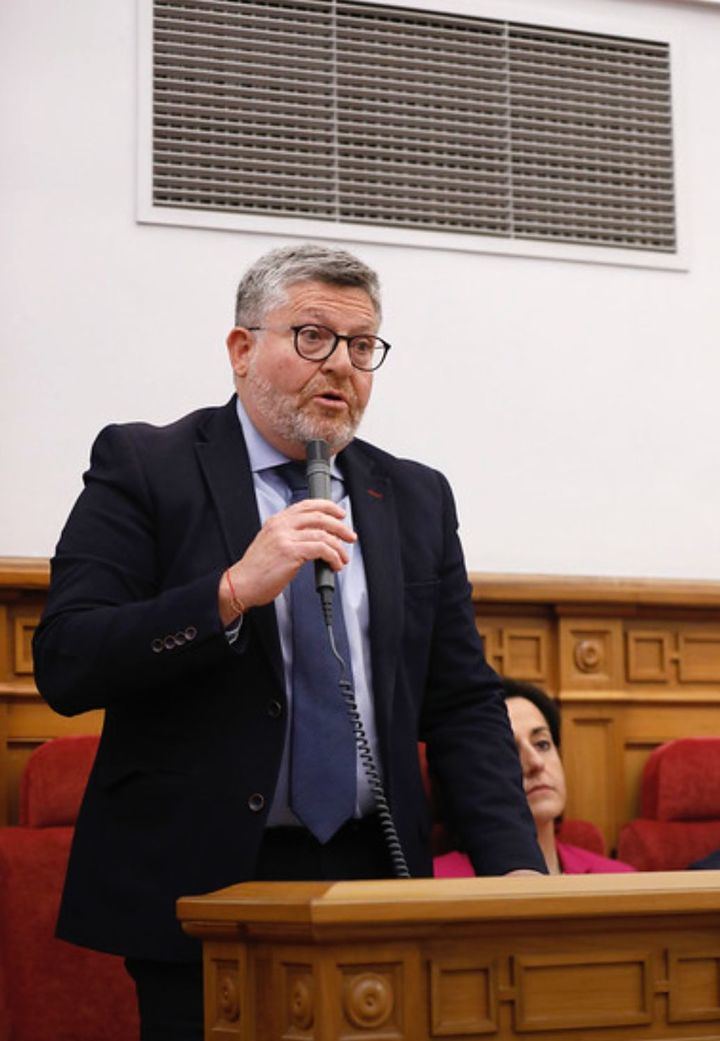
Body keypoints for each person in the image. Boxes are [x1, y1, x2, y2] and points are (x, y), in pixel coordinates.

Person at [33, 243, 546, 1040]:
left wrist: (516, 869)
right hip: (204, 887)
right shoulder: (146, 465)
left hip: (377, 873)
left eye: (362, 345)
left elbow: (461, 702)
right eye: (312, 336)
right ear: (242, 349)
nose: (340, 364)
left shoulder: (414, 495)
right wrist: (231, 590)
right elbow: (68, 657)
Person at [435, 679, 635, 876]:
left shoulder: (618, 878)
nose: (536, 763)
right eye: (508, 752)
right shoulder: (439, 882)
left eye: (542, 744)